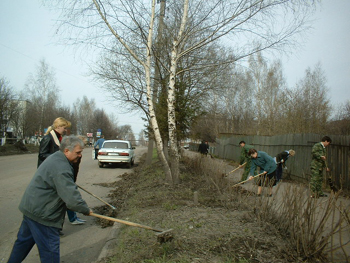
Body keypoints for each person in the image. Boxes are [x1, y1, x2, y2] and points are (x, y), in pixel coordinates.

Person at [7, 136, 92, 263]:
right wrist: (85, 210)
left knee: (22, 244)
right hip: (44, 215)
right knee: (50, 252)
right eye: (78, 152)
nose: (80, 155)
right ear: (67, 151)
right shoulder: (62, 168)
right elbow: (72, 199)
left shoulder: (56, 157)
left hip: (31, 208)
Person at [37, 117, 85, 227]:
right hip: (50, 173)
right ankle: (53, 225)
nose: (65, 130)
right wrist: (59, 157)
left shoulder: (59, 138)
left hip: (57, 171)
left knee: (64, 197)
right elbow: (42, 155)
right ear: (58, 127)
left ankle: (67, 220)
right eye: (64, 128)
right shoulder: (48, 138)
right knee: (60, 199)